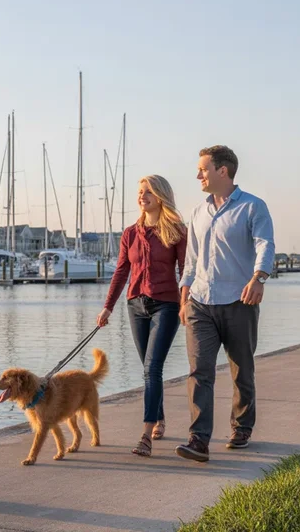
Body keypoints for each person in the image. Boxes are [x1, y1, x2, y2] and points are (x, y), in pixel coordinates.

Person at [174, 145, 275, 463]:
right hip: (200, 302)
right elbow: (191, 258)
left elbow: (265, 244)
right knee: (199, 371)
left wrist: (259, 278)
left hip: (239, 301)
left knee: (241, 369)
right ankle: (198, 439)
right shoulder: (197, 212)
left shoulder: (252, 207)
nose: (198, 175)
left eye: (203, 169)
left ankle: (241, 427)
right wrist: (184, 294)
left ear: (223, 171)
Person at [97, 175, 187, 457]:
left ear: (160, 196)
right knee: (148, 368)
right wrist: (108, 306)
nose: (142, 196)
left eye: (148, 192)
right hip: (135, 305)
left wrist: (186, 302)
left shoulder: (177, 230)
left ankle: (146, 435)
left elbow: (185, 270)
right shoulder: (130, 233)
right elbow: (121, 271)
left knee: (152, 367)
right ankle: (159, 418)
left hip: (166, 305)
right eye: (140, 192)